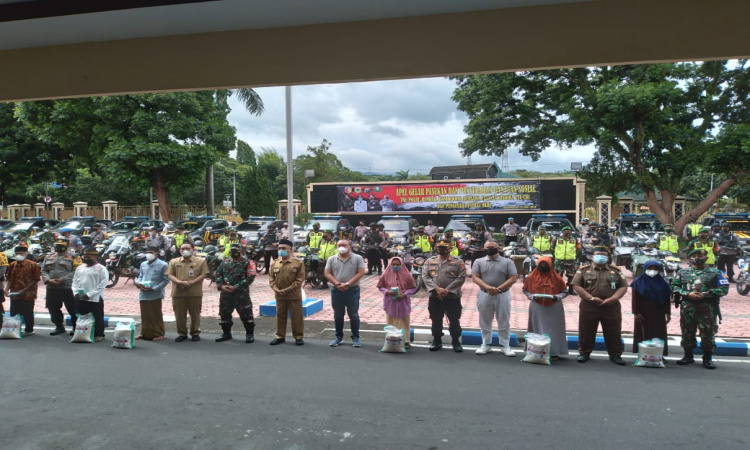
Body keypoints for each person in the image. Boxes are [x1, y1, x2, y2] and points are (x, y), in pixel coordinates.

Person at [671, 248, 729, 369]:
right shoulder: (682, 272)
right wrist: (687, 294)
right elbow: (674, 287)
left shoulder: (716, 273)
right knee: (687, 331)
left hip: (707, 308)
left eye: (700, 256)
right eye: (694, 255)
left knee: (708, 333)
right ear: (690, 258)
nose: (697, 258)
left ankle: (707, 358)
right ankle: (688, 356)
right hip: (688, 307)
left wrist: (707, 293)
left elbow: (724, 289)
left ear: (706, 258)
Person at [571, 246, 628, 365]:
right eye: (598, 254)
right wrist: (590, 298)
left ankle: (615, 354)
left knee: (613, 331)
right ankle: (584, 353)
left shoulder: (616, 270)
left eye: (603, 254)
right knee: (586, 330)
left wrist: (613, 298)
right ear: (591, 256)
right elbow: (577, 286)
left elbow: (623, 286)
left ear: (608, 257)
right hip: (589, 305)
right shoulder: (583, 270)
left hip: (611, 306)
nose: (600, 256)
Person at [472, 241, 518, 356]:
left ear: (498, 248)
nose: (489, 249)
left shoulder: (508, 262)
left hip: (503, 294)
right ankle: (486, 344)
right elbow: (475, 277)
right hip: (484, 294)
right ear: (483, 248)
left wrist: (498, 289)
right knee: (484, 320)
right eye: (487, 247)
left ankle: (505, 345)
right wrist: (488, 288)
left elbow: (513, 278)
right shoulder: (479, 262)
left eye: (492, 247)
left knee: (503, 320)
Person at [423, 238, 467, 352]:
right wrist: (437, 289)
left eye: (443, 248)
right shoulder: (429, 261)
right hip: (435, 296)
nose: (441, 249)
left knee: (454, 320)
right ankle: (437, 340)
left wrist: (446, 290)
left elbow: (461, 278)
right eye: (439, 247)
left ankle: (455, 341)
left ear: (450, 248)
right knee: (436, 320)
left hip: (452, 297)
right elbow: (426, 277)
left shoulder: (458, 262)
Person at [522, 255, 569, 360]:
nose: (543, 266)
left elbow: (565, 291)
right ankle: (536, 351)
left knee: (555, 330)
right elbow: (525, 290)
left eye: (546, 264)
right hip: (537, 306)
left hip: (554, 307)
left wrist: (557, 297)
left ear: (551, 265)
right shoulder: (531, 277)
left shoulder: (557, 278)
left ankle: (554, 352)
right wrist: (531, 296)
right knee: (537, 328)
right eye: (541, 264)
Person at [325, 239, 366, 347]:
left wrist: (347, 284)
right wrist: (337, 284)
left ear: (350, 247)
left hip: (352, 290)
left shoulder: (357, 258)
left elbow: (361, 273)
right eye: (339, 245)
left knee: (353, 314)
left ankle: (355, 337)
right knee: (338, 315)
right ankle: (338, 337)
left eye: (344, 245)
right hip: (336, 290)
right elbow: (327, 273)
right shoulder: (331, 259)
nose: (341, 247)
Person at [214, 243, 257, 343]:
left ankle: (249, 334)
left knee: (246, 314)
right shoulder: (225, 262)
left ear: (242, 251)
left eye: (236, 251)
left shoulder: (248, 263)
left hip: (241, 294)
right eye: (232, 251)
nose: (234, 253)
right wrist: (221, 286)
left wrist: (236, 287)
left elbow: (250, 278)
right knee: (224, 314)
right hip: (226, 294)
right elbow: (218, 275)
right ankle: (226, 334)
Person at [167, 242, 209, 342]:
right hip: (178, 292)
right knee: (179, 314)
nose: (185, 250)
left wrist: (192, 282)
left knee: (195, 314)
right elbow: (170, 275)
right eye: (183, 248)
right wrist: (180, 282)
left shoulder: (201, 261)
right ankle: (182, 333)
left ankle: (195, 332)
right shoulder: (174, 261)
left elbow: (204, 274)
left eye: (188, 248)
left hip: (194, 292)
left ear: (193, 249)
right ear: (180, 250)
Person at [268, 239, 306, 345]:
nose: (281, 250)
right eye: (279, 248)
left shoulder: (298, 263)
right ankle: (280, 336)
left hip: (293, 295)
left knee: (296, 316)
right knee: (280, 316)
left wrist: (287, 290)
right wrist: (276, 289)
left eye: (284, 248)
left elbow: (299, 280)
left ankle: (298, 336)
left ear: (290, 249)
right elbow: (271, 278)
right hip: (279, 295)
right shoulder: (275, 263)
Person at [631, 260, 672, 356]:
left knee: (659, 333)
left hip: (659, 311)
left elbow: (667, 299)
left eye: (655, 269)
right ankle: (644, 354)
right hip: (643, 311)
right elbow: (635, 299)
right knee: (643, 332)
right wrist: (636, 313)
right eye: (650, 268)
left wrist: (668, 313)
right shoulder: (638, 282)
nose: (652, 271)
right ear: (645, 269)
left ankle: (658, 354)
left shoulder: (663, 283)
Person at [41, 239, 81, 336]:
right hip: (52, 287)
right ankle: (59, 326)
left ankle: (75, 328)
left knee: (73, 309)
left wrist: (62, 280)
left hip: (67, 287)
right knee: (52, 308)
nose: (58, 247)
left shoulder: (74, 257)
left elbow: (77, 271)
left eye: (61, 245)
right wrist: (48, 280)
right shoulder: (49, 256)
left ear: (67, 246)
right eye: (57, 245)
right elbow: (43, 269)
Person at [377, 256, 416, 348]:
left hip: (403, 301)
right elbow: (380, 286)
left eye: (397, 264)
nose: (395, 266)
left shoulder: (407, 275)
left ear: (401, 265)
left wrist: (405, 294)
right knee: (390, 321)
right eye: (393, 264)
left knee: (405, 321)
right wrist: (387, 292)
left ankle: (406, 341)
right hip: (390, 301)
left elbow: (412, 288)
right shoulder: (385, 274)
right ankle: (391, 339)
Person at [71, 247, 109, 342]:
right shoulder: (80, 268)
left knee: (97, 316)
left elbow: (102, 284)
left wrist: (90, 294)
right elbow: (74, 281)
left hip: (95, 298)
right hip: (80, 296)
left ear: (96, 257)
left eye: (89, 256)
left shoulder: (101, 269)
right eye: (85, 256)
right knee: (81, 315)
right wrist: (75, 292)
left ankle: (99, 334)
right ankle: (83, 333)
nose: (86, 258)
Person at [134, 246, 169, 340]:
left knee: (155, 314)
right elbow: (141, 276)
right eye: (147, 252)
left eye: (151, 252)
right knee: (145, 314)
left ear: (157, 253)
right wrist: (138, 283)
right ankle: (145, 333)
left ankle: (159, 333)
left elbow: (165, 280)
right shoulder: (143, 264)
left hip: (155, 294)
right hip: (143, 293)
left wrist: (154, 288)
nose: (148, 254)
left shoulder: (163, 265)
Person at [4, 246, 41, 336]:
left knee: (27, 312)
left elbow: (36, 279)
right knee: (14, 312)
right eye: (17, 253)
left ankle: (29, 330)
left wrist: (24, 290)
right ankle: (15, 329)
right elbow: (9, 278)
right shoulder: (12, 264)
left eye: (22, 253)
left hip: (28, 293)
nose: (19, 255)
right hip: (15, 293)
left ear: (26, 254)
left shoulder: (33, 265)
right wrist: (6, 289)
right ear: (14, 254)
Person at [552, 226, 581, 295]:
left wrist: (574, 256)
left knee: (571, 275)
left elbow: (578, 249)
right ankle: (558, 289)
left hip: (570, 260)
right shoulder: (557, 239)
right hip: (559, 260)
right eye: (565, 231)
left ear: (571, 232)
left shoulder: (575, 239)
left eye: (568, 231)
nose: (567, 233)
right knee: (558, 275)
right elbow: (552, 248)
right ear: (562, 232)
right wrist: (556, 256)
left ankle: (571, 289)